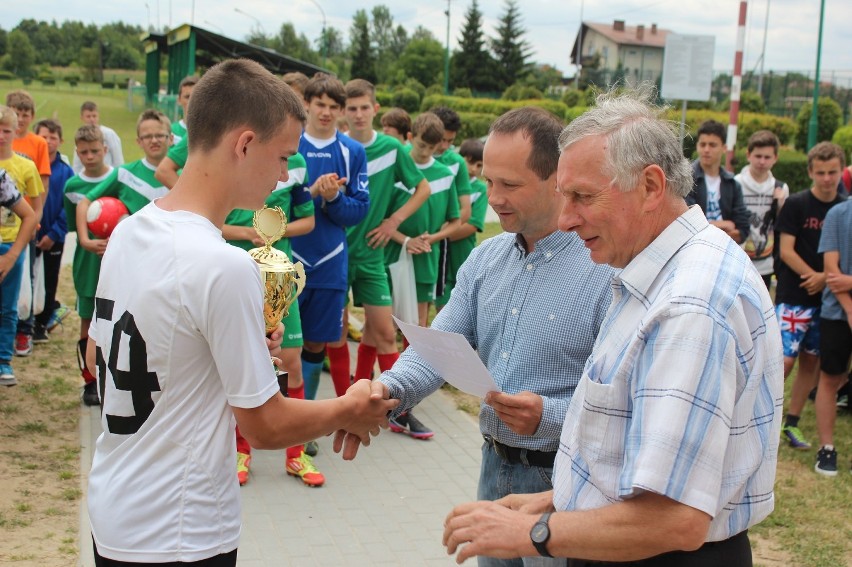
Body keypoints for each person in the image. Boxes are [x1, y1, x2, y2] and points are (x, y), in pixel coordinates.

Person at [443, 88, 783, 567]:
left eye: (583, 197)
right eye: (565, 196)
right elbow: (627, 443)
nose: (566, 219)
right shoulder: (660, 269)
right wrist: (554, 499)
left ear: (650, 186)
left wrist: (534, 531)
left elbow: (673, 519)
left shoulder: (688, 307)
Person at [85, 58, 397, 566]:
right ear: (244, 143)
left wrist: (225, 351)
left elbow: (105, 349)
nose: (281, 176)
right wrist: (349, 409)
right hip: (180, 529)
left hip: (116, 507)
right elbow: (265, 426)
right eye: (281, 158)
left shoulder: (130, 231)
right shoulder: (223, 265)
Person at [380, 106, 614, 567]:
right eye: (488, 182)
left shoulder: (603, 270)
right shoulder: (486, 261)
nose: (494, 198)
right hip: (493, 470)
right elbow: (438, 346)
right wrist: (388, 390)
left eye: (510, 185)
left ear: (557, 180)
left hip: (563, 487)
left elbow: (618, 408)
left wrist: (548, 416)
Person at [222, 152, 320, 487]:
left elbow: (308, 221)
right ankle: (240, 451)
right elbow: (209, 222)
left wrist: (273, 233)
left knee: (291, 362)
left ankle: (295, 455)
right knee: (242, 363)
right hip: (235, 272)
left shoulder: (296, 167)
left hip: (278, 278)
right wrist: (249, 234)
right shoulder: (229, 159)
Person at [343, 79, 429, 391]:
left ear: (375, 109)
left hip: (371, 254)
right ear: (344, 111)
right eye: (352, 108)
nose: (358, 114)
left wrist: (393, 221)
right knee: (338, 335)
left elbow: (423, 188)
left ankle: (396, 408)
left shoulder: (391, 148)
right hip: (336, 254)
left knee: (384, 332)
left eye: (364, 107)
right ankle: (348, 398)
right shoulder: (338, 146)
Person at [290, 73, 370, 403]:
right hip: (287, 257)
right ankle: (266, 421)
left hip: (329, 261)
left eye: (333, 106)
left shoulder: (352, 151)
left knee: (315, 344)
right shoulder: (288, 145)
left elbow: (359, 212)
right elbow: (271, 205)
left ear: (340, 111)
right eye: (319, 104)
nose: (325, 112)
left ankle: (302, 420)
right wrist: (310, 193)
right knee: (278, 342)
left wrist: (334, 198)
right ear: (306, 104)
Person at [775, 142, 846, 450]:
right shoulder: (797, 204)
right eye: (821, 173)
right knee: (783, 361)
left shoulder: (844, 208)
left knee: (811, 363)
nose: (827, 179)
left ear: (841, 171)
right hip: (795, 295)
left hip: (827, 300)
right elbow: (786, 250)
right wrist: (814, 276)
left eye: (832, 172)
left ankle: (791, 423)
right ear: (810, 172)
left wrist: (825, 279)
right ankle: (762, 417)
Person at [63, 125, 114, 406]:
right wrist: (87, 241)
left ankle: (112, 376)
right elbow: (74, 226)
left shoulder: (117, 180)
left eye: (95, 150)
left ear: (105, 149)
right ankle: (89, 381)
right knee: (87, 320)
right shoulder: (72, 187)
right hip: (87, 265)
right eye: (83, 152)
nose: (90, 156)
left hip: (115, 262)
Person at [76, 109, 172, 235]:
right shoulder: (124, 174)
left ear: (171, 139)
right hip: (134, 251)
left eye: (159, 135)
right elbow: (84, 203)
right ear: (139, 142)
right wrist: (84, 240)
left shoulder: (184, 176)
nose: (154, 140)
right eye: (147, 136)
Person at [6, 90, 48, 357]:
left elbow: (41, 187)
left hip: (26, 222)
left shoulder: (37, 144)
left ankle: (25, 328)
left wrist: (35, 221)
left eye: (25, 115)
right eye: (16, 114)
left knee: (25, 280)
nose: (21, 119)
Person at [0, 106, 39, 386]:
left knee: (7, 307)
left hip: (7, 247)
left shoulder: (5, 178)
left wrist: (13, 253)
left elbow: (31, 213)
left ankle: (3, 361)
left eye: (5, 130)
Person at [814, 197, 852, 476]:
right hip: (837, 313)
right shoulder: (839, 213)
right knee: (830, 378)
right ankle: (826, 448)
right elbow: (831, 271)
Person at [436, 138, 488, 311]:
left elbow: (473, 224)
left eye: (479, 165)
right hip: (440, 248)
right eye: (470, 162)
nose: (473, 169)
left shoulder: (480, 189)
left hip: (461, 248)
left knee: (461, 287)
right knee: (440, 287)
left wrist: (441, 236)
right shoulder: (448, 181)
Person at [32, 119, 73, 344]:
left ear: (61, 141)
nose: (48, 141)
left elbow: (68, 208)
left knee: (49, 279)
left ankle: (42, 322)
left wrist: (54, 234)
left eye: (53, 137)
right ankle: (24, 321)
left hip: (52, 238)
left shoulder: (66, 172)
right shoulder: (28, 165)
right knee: (27, 280)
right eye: (43, 136)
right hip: (28, 234)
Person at [734, 129, 789, 290]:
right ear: (748, 155)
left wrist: (780, 205)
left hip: (766, 262)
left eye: (767, 157)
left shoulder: (781, 188)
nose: (762, 161)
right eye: (758, 156)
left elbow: (784, 225)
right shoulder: (736, 183)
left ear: (775, 159)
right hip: (739, 258)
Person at [685, 119, 750, 243]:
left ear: (724, 148)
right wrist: (724, 224)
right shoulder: (686, 179)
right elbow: (688, 224)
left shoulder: (732, 183)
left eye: (712, 145)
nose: (706, 150)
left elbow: (743, 230)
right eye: (702, 144)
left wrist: (710, 227)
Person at [72, 101, 124, 173]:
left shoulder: (109, 134)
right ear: (82, 118)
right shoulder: (80, 136)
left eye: (94, 116)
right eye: (88, 116)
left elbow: (118, 160)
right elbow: (77, 164)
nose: (92, 119)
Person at [171, 75, 199, 144]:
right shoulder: (170, 131)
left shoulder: (212, 133)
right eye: (187, 97)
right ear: (179, 100)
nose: (192, 101)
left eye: (196, 96)